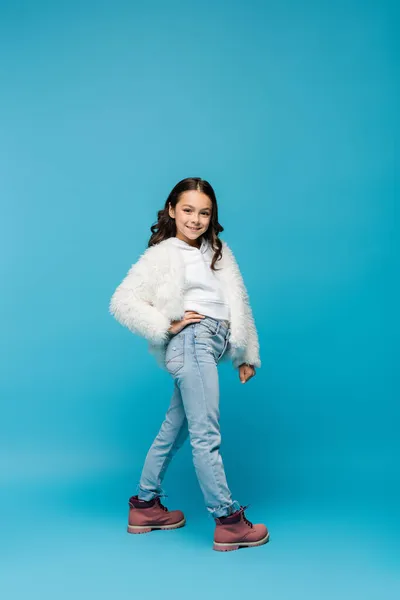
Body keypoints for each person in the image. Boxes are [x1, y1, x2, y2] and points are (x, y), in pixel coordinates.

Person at [109, 177, 269, 552]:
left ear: (212, 216)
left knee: (175, 429)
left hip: (213, 345)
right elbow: (122, 302)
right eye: (187, 210)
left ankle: (145, 506)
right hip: (192, 343)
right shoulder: (162, 255)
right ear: (171, 210)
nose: (195, 219)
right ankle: (228, 520)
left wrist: (246, 355)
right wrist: (168, 324)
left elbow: (238, 302)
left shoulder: (218, 251)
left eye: (204, 212)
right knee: (205, 434)